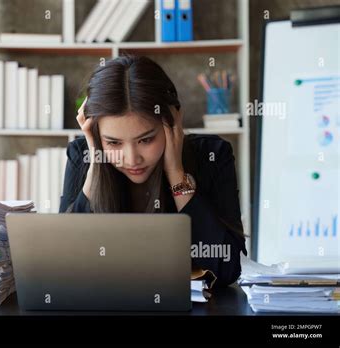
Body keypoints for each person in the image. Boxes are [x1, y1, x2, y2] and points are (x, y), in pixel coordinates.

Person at [59, 55, 247, 287]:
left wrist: (176, 174)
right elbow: (63, 266)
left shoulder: (213, 155)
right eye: (114, 143)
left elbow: (228, 268)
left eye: (146, 139)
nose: (132, 159)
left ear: (172, 122)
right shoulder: (83, 155)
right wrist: (96, 166)